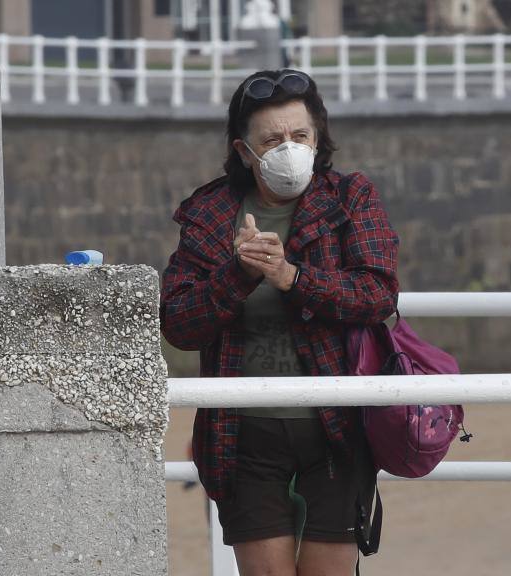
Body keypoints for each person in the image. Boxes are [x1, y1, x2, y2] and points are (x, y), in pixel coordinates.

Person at [160, 69, 399, 576]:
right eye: (272, 140)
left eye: (300, 136)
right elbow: (178, 323)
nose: (288, 149)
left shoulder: (350, 198)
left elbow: (378, 294)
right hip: (242, 433)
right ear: (244, 151)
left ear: (319, 139)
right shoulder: (210, 212)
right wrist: (238, 275)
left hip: (337, 427)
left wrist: (292, 276)